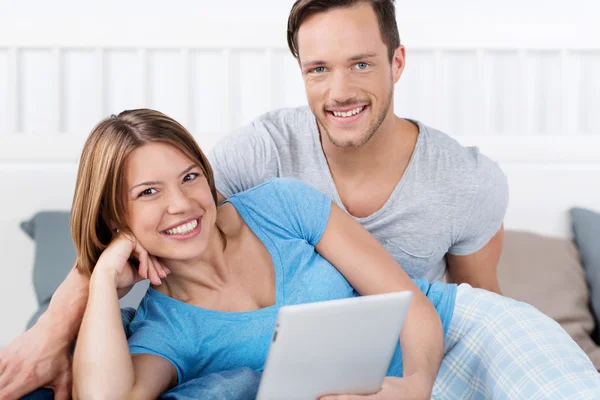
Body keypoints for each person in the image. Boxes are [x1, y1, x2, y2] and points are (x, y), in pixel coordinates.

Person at [1, 0, 507, 397]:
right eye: (318, 69)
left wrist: (420, 385)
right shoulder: (256, 156)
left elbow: (474, 307)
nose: (340, 91)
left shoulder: (464, 181)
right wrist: (56, 325)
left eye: (360, 64)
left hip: (431, 353)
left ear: (397, 62)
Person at [66, 109, 600, 399]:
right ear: (116, 219)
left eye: (189, 177)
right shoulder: (167, 330)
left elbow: (408, 300)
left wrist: (415, 387)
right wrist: (104, 274)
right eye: (148, 193)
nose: (183, 203)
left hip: (460, 337)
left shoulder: (278, 204)